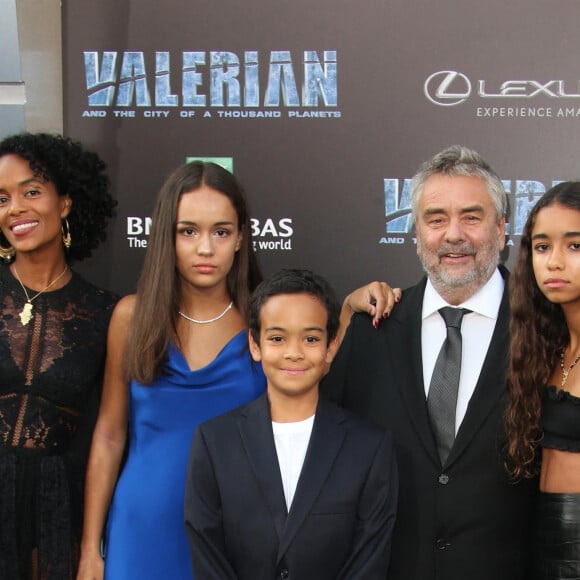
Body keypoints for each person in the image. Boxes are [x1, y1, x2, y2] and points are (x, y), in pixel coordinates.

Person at [322, 145, 536, 580]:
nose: (453, 234)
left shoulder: (545, 331)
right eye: (436, 219)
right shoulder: (371, 331)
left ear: (502, 227)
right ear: (416, 233)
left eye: (471, 217)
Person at [76, 161, 267, 580]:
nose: (205, 248)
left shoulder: (264, 323)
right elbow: (109, 435)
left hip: (232, 536)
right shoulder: (132, 317)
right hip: (139, 531)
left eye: (221, 231)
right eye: (188, 231)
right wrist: (91, 551)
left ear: (240, 240)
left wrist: (349, 309)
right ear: (166, 236)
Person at [185, 268, 398, 579]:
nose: (294, 353)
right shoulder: (214, 441)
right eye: (277, 338)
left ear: (331, 346)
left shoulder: (369, 447)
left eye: (310, 338)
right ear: (255, 345)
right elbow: (207, 552)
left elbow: (369, 558)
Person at [0, 132, 118, 580]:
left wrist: (91, 549)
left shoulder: (107, 312)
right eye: (2, 198)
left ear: (65, 203)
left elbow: (108, 436)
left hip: (57, 510)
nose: (15, 209)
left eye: (31, 191)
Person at [505, 182, 580, 580]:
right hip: (537, 545)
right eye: (541, 246)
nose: (553, 262)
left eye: (574, 246)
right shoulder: (544, 349)